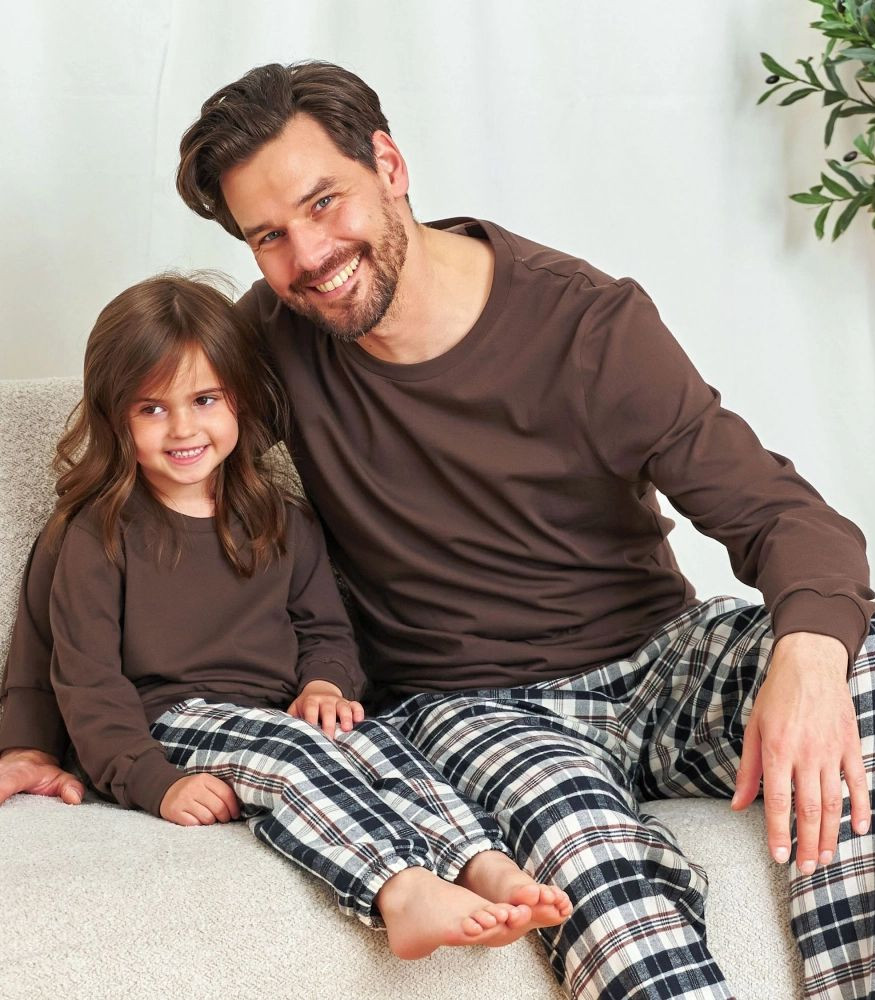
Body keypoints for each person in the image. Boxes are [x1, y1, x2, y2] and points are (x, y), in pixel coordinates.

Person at [0, 62, 875, 1000]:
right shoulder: (273, 344)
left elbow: (781, 512)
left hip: (657, 660)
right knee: (582, 852)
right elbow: (120, 488)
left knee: (871, 652)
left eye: (324, 203)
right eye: (269, 237)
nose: (310, 256)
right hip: (471, 706)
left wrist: (810, 655)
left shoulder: (587, 324)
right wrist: (29, 733)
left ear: (389, 165)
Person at [15, 272, 571, 961]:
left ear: (239, 398)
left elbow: (325, 631)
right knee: (294, 754)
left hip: (273, 716)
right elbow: (85, 682)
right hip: (165, 723)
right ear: (113, 416)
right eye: (151, 408)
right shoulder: (97, 534)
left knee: (379, 745)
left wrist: (324, 685)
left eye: (204, 399)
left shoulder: (282, 520)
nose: (183, 428)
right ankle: (400, 891)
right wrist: (155, 783)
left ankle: (479, 864)